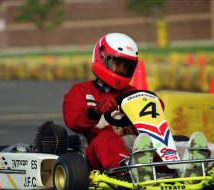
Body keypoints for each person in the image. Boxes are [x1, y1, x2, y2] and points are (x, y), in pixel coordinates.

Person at [62, 33, 151, 171]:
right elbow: (72, 120)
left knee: (151, 139)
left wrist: (154, 105)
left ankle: (179, 163)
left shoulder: (132, 92)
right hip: (96, 152)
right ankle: (127, 166)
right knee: (107, 137)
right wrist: (95, 111)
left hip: (133, 144)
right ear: (102, 58)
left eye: (126, 66)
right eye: (117, 64)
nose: (122, 70)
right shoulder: (80, 91)